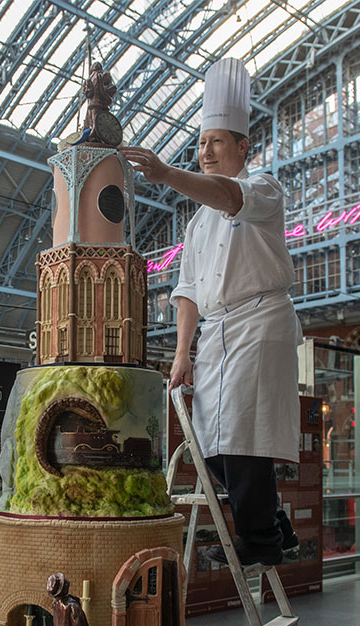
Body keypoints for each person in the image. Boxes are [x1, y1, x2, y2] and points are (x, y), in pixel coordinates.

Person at [121, 57, 299, 567]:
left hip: (259, 321)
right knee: (209, 442)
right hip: (215, 334)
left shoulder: (263, 189)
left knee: (243, 437)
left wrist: (164, 173)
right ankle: (276, 525)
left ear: (243, 146)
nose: (206, 151)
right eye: (201, 143)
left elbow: (228, 196)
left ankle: (261, 540)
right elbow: (188, 292)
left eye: (217, 142)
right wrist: (182, 353)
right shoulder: (197, 224)